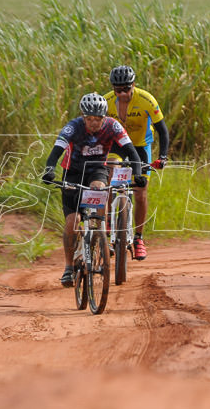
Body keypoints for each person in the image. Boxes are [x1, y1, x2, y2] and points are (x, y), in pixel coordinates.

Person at [41, 93, 146, 287]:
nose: (93, 123)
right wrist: (49, 171)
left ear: (104, 117)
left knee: (99, 188)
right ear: (83, 117)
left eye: (97, 119)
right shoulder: (73, 127)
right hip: (73, 172)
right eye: (89, 119)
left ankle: (98, 233)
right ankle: (68, 267)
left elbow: (132, 151)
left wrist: (138, 173)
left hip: (97, 170)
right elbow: (55, 152)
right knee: (73, 221)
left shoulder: (113, 126)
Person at [103, 65, 169, 261]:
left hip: (140, 147)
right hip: (116, 146)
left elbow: (162, 130)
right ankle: (107, 218)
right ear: (113, 89)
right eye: (118, 90)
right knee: (107, 173)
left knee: (141, 191)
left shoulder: (146, 100)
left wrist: (163, 156)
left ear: (134, 85)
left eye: (127, 89)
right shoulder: (106, 101)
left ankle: (139, 238)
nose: (123, 93)